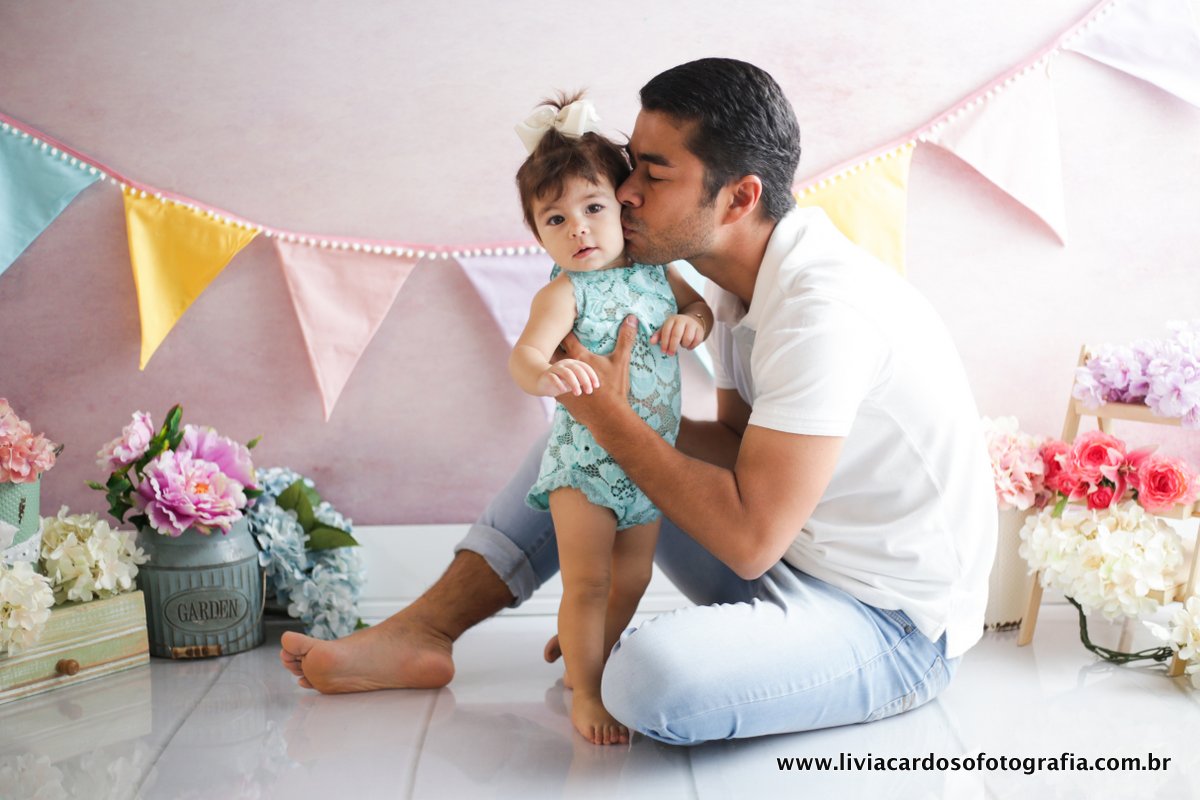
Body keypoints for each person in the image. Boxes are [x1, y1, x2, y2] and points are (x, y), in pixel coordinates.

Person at [279, 57, 998, 747]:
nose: (623, 192)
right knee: (579, 442)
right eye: (631, 165)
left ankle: (645, 649)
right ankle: (423, 632)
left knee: (646, 679)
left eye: (654, 174)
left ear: (739, 197)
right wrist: (604, 418)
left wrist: (614, 419)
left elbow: (750, 538)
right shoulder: (731, 284)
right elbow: (736, 448)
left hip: (889, 623)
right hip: (792, 558)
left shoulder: (823, 312)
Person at [507, 92, 712, 745]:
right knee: (589, 581)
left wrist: (692, 322)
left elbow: (700, 310)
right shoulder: (562, 293)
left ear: (623, 207)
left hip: (648, 464)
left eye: (593, 208)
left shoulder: (658, 272)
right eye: (556, 219)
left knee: (633, 578)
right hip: (585, 466)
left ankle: (585, 647)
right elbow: (525, 356)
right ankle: (588, 691)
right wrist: (546, 376)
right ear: (539, 234)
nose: (579, 229)